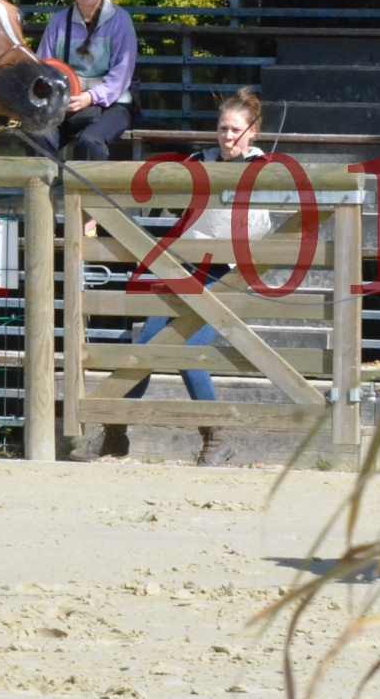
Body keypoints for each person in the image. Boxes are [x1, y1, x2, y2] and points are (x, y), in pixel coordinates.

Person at [111, 87, 274, 465]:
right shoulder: (199, 160)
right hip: (182, 265)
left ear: (252, 132)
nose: (228, 137)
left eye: (235, 130)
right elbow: (161, 189)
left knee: (187, 350)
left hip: (227, 273)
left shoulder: (263, 169)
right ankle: (114, 432)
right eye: (222, 129)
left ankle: (215, 438)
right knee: (146, 348)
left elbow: (259, 228)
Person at [32, 0, 139, 162]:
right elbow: (42, 66)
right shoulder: (59, 21)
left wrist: (89, 97)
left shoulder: (121, 20)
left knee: (90, 141)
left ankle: (88, 195)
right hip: (65, 102)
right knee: (38, 135)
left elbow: (121, 76)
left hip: (113, 105)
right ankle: (48, 192)